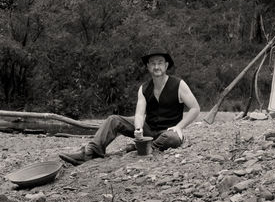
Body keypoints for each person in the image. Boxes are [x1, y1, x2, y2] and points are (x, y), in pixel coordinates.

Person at [59, 47, 200, 166]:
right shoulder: (144, 88)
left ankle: (144, 147)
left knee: (173, 138)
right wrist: (138, 129)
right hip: (149, 130)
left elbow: (195, 108)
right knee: (114, 119)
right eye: (153, 64)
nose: (156, 67)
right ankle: (91, 152)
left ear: (166, 65)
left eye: (160, 63)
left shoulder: (178, 84)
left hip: (169, 132)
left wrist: (179, 127)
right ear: (148, 67)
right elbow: (139, 114)